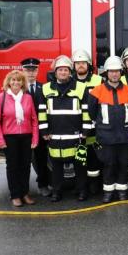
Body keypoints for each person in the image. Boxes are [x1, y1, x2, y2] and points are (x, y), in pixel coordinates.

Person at [36, 55, 91, 202]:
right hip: (55, 135)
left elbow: (86, 110)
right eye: (60, 70)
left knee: (80, 166)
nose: (63, 72)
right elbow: (41, 111)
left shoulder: (81, 88)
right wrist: (44, 131)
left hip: (77, 136)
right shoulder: (45, 89)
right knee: (56, 167)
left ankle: (82, 191)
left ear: (70, 72)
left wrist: (86, 131)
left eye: (66, 70)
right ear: (55, 72)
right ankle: (57, 192)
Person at [88, 56, 128, 203]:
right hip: (106, 135)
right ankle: (108, 191)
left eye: (117, 71)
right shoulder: (96, 91)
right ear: (106, 73)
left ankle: (122, 191)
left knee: (123, 163)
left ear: (121, 72)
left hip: (124, 135)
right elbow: (92, 113)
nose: (114, 74)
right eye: (111, 71)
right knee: (109, 164)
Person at [0, 70, 39, 207]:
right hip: (9, 138)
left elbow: (34, 120)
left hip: (26, 136)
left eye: (19, 80)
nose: (16, 82)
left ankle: (25, 193)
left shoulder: (28, 98)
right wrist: (0, 141)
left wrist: (35, 138)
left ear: (23, 83)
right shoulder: (0, 98)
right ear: (8, 82)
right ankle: (15, 195)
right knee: (13, 167)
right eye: (13, 80)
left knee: (25, 166)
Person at [72, 49, 104, 195]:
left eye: (83, 62)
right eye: (77, 63)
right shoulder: (70, 82)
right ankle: (82, 188)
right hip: (77, 128)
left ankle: (94, 186)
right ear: (74, 65)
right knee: (79, 159)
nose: (80, 65)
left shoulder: (98, 80)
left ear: (88, 64)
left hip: (94, 127)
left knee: (94, 158)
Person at [21, 57, 51, 197]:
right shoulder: (18, 88)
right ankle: (23, 189)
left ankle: (43, 184)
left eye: (33, 70)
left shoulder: (43, 88)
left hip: (40, 130)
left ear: (38, 71)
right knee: (23, 161)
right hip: (23, 130)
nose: (31, 73)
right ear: (23, 71)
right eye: (28, 70)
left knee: (41, 159)